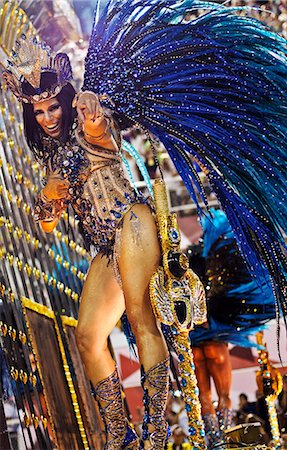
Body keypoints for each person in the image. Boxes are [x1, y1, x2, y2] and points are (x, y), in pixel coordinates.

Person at [4, 1, 287, 449]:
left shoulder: (85, 122)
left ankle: (156, 433)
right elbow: (47, 228)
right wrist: (46, 204)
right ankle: (122, 436)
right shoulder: (51, 157)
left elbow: (98, 129)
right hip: (102, 246)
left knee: (140, 318)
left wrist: (93, 115)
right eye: (38, 112)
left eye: (51, 106)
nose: (48, 117)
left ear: (64, 100)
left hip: (132, 225)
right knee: (88, 337)